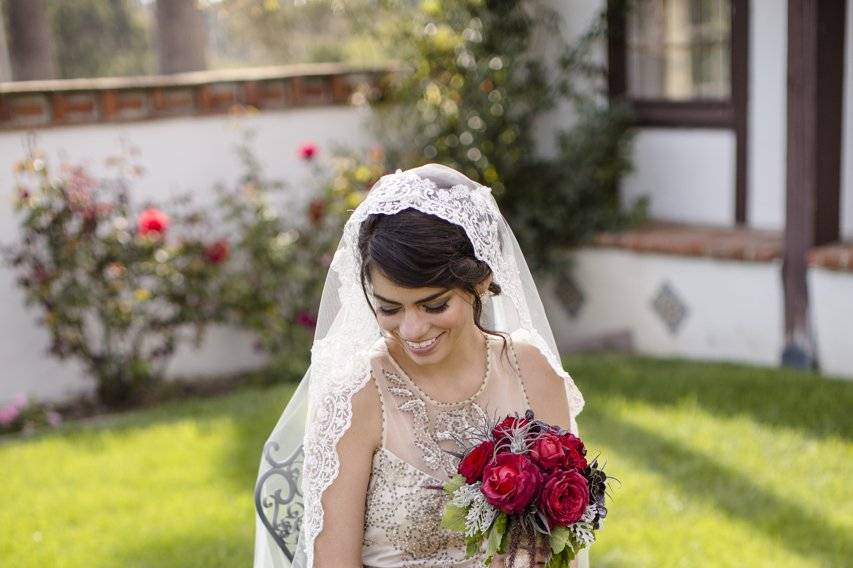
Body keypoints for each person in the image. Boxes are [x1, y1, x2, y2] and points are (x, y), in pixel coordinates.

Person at [254, 164, 587, 568]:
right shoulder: (357, 394)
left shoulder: (532, 371)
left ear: (482, 280)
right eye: (389, 309)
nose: (412, 330)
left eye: (434, 305)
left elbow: (560, 546)